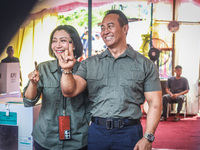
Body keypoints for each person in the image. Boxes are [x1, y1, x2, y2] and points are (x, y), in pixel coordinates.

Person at [59, 10, 162, 150]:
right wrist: (67, 70)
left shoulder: (145, 64)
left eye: (110, 26)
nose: (105, 31)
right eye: (102, 28)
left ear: (125, 28)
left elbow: (155, 104)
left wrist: (148, 137)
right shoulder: (90, 64)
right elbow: (69, 91)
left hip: (129, 133)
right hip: (98, 133)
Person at [23, 25, 89, 150]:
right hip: (46, 137)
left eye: (63, 40)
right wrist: (33, 83)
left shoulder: (85, 69)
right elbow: (29, 101)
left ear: (73, 45)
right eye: (54, 41)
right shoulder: (43, 68)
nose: (57, 45)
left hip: (77, 139)